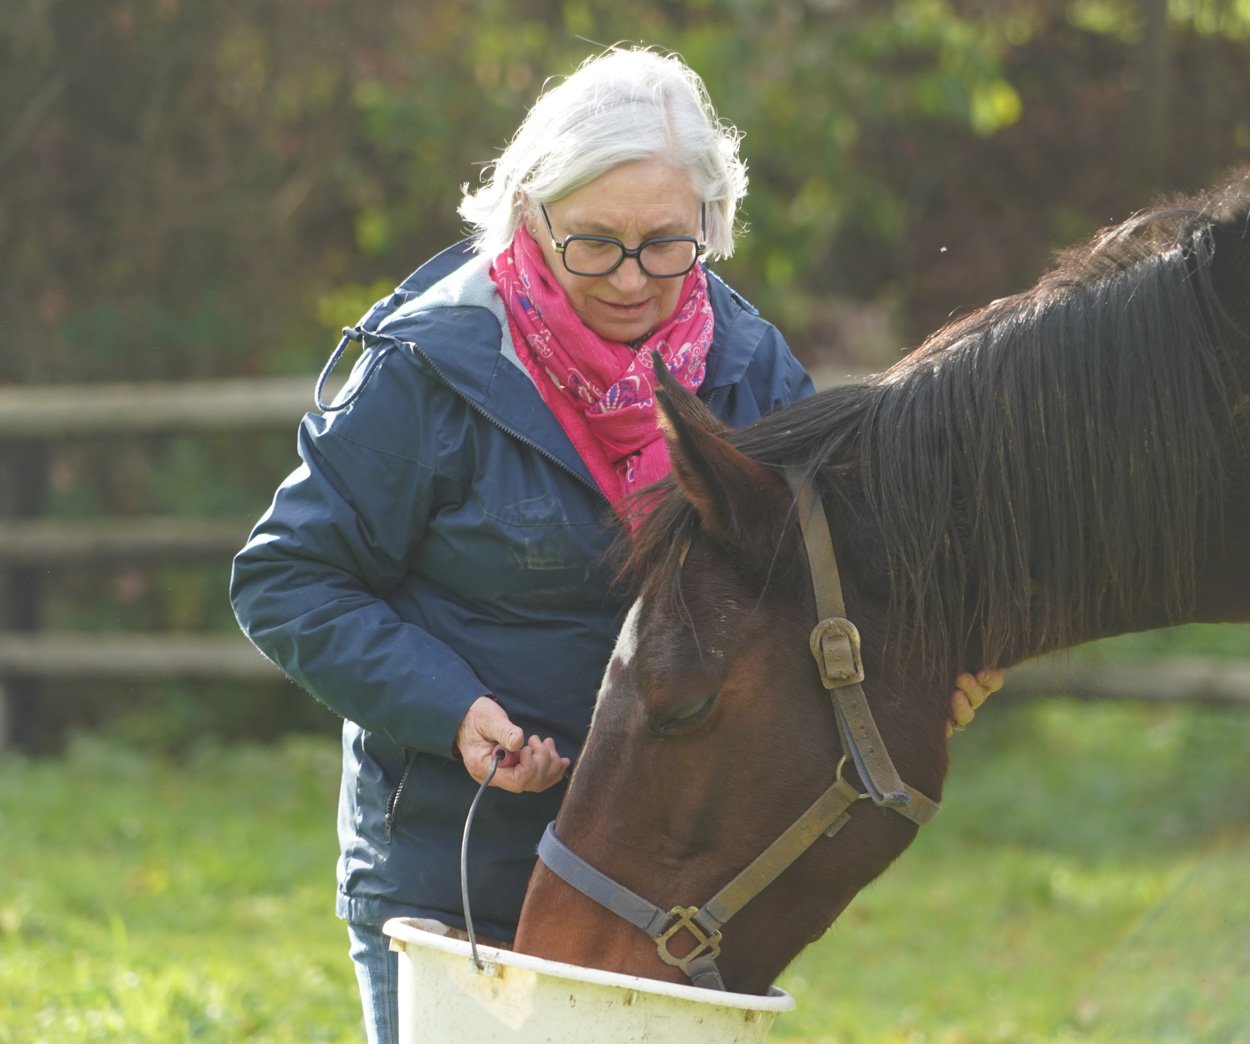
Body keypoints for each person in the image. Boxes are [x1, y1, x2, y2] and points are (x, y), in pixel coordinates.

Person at [230, 45, 1001, 1044]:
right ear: (528, 212)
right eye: (594, 243)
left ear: (710, 225)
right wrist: (451, 710)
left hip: (658, 887)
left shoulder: (752, 373)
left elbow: (825, 585)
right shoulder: (425, 366)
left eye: (665, 244)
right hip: (451, 870)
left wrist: (931, 672)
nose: (632, 279)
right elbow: (288, 580)